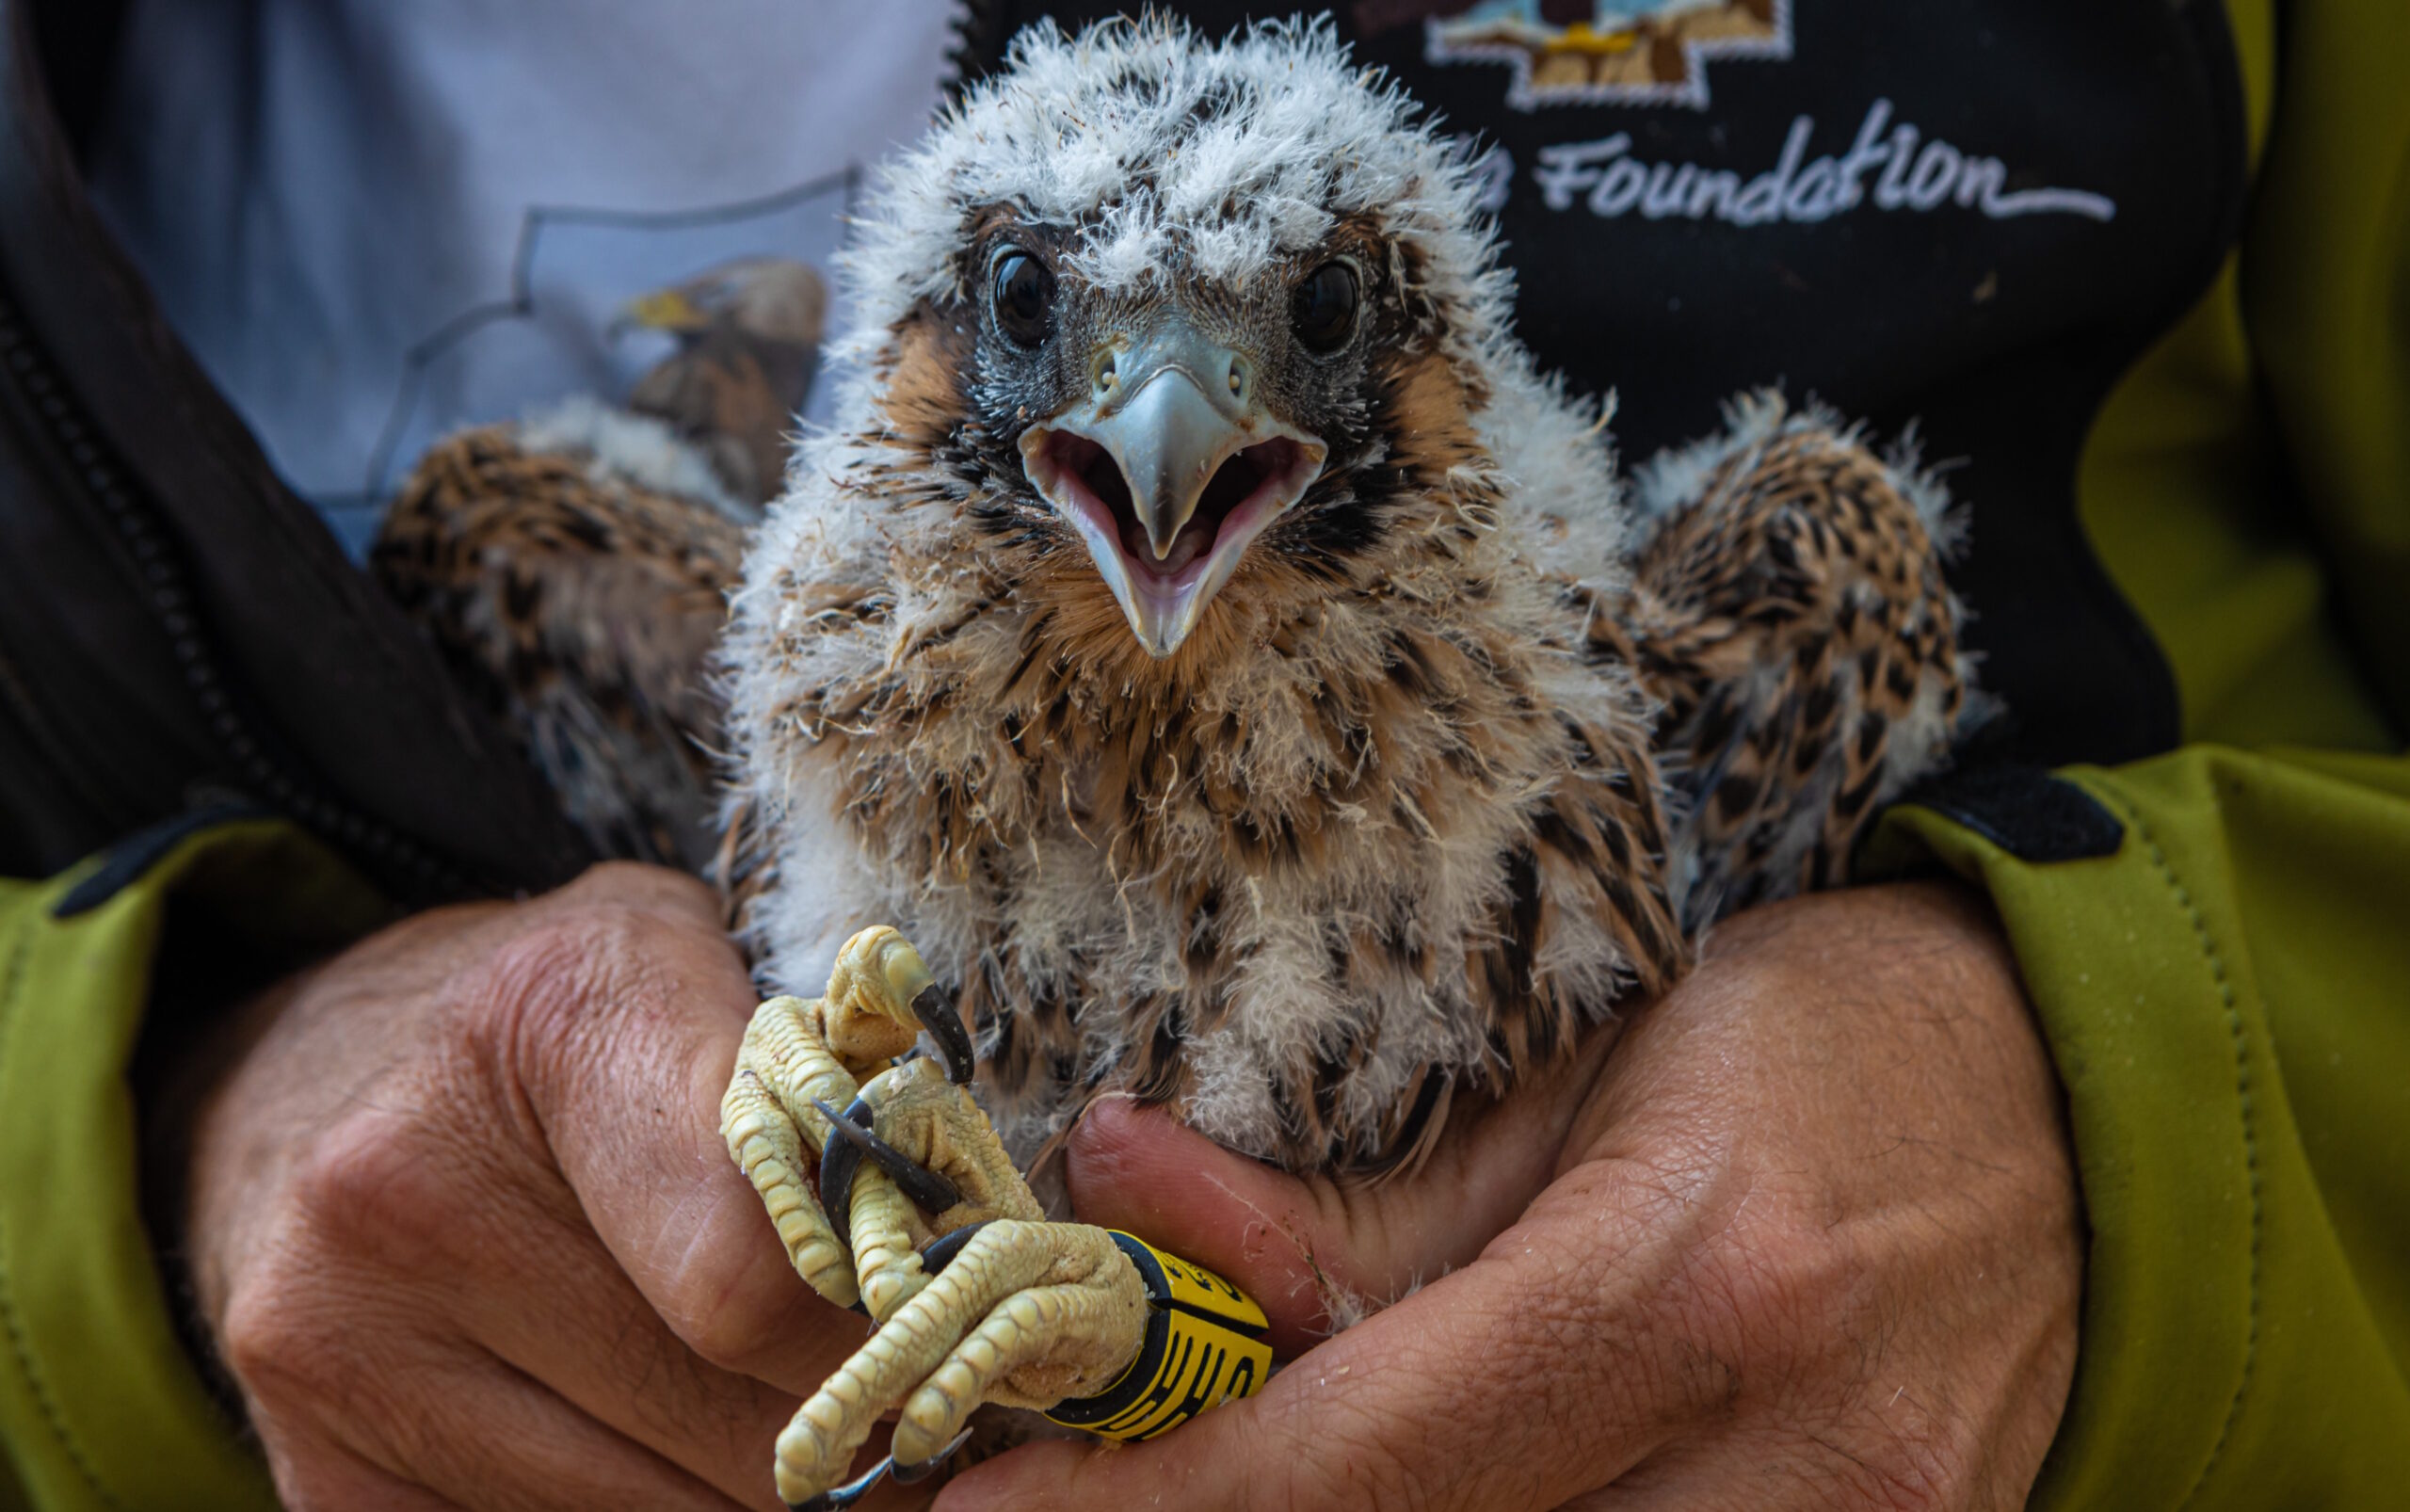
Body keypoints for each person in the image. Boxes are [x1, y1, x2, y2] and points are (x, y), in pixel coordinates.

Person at [0, 2, 2402, 1509]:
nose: (1163, 424)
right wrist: (158, 1145)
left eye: (1306, 328)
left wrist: (2117, 1124)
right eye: (1051, 321)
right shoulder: (769, 619)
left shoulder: (1612, 622)